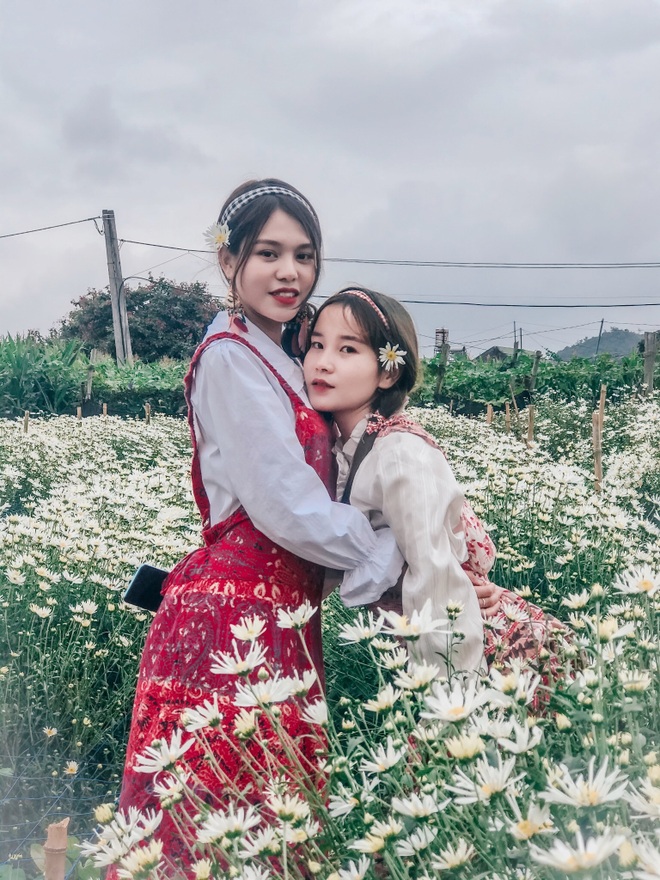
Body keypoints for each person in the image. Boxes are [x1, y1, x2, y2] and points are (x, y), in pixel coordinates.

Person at [107, 183, 402, 876]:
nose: (289, 272)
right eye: (268, 252)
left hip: (279, 617)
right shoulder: (232, 360)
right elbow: (286, 508)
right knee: (219, 822)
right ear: (229, 259)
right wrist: (388, 550)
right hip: (230, 622)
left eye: (304, 255)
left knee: (267, 817)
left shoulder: (283, 355)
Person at [304, 286, 568, 678]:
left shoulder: (399, 454)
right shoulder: (341, 447)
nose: (323, 363)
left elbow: (435, 577)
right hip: (432, 639)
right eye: (316, 344)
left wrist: (450, 702)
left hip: (489, 650)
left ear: (389, 371)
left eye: (347, 350)